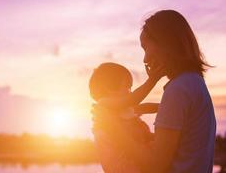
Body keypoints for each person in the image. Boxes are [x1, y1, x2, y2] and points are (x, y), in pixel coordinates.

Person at [92, 10, 216, 173]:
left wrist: (113, 129)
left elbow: (155, 166)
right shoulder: (193, 84)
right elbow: (138, 105)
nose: (145, 59)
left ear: (165, 43)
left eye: (145, 47)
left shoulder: (179, 89)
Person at [89, 62, 162, 173]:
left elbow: (144, 107)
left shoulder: (123, 110)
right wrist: (152, 80)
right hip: (121, 166)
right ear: (109, 87)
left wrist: (168, 106)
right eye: (127, 87)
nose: (131, 92)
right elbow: (133, 99)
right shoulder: (103, 104)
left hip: (134, 161)